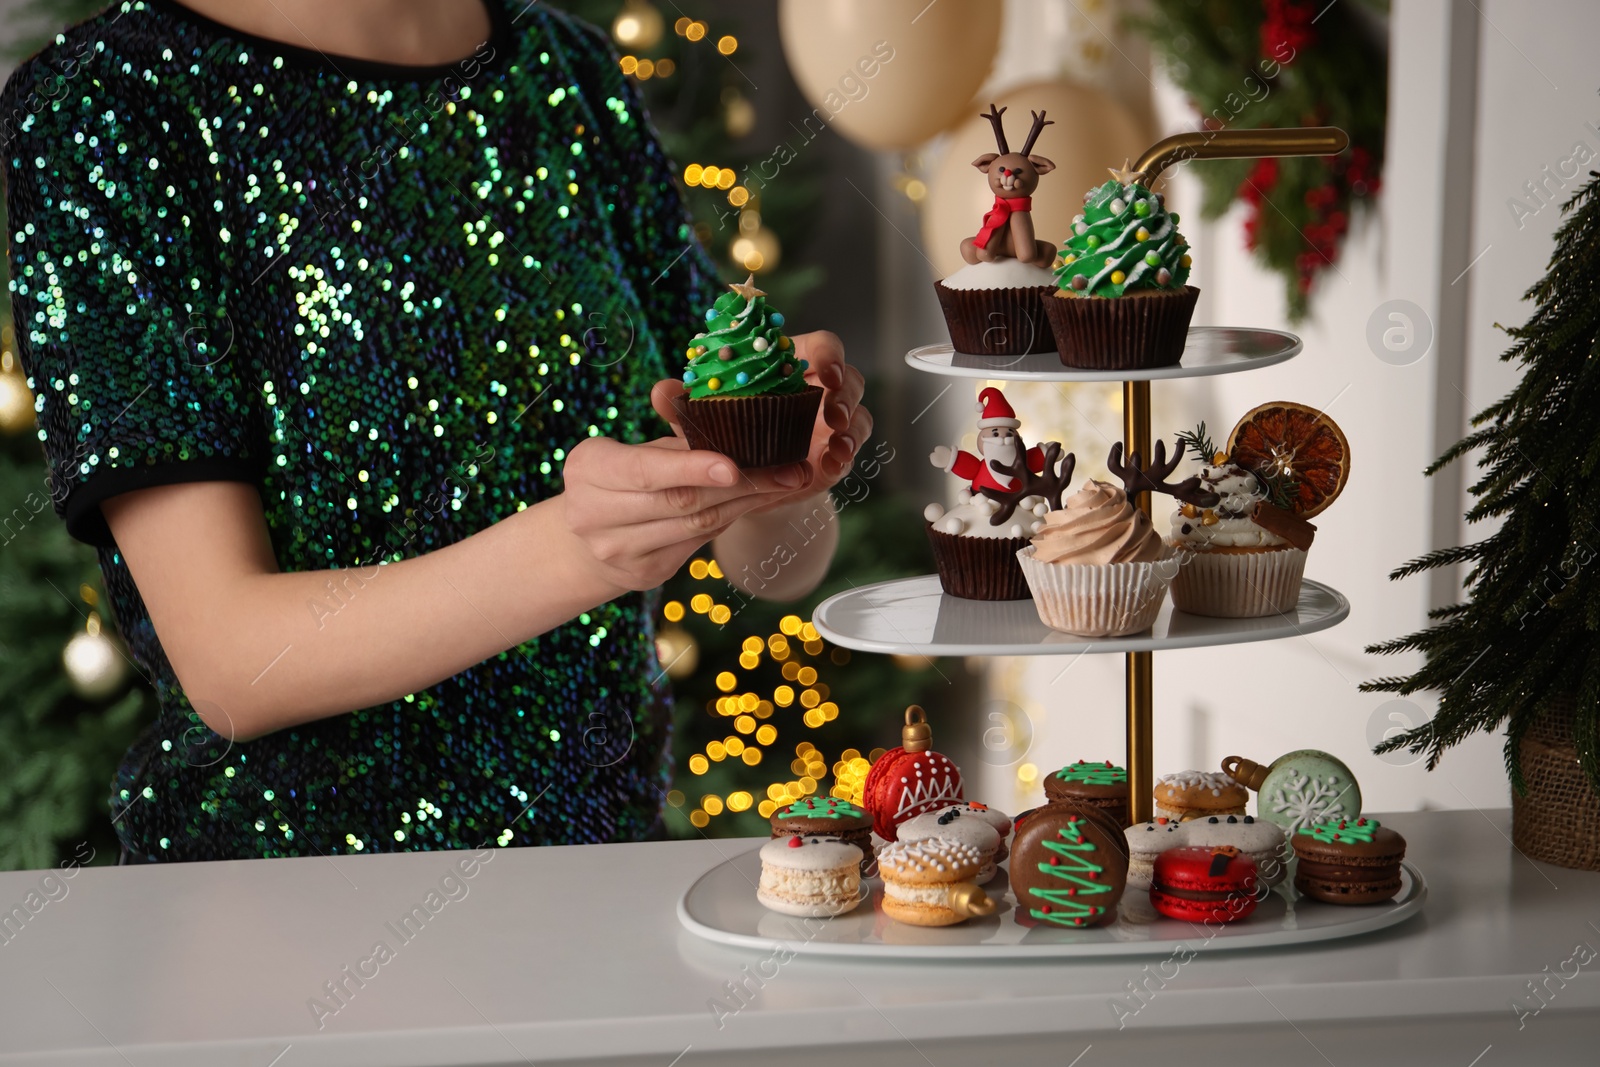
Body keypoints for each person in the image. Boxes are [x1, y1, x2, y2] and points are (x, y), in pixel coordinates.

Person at [1, 0, 870, 862]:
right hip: (282, 928)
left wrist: (781, 457)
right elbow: (232, 666)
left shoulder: (565, 69)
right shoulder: (106, 104)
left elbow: (784, 562)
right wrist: (579, 549)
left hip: (598, 893)